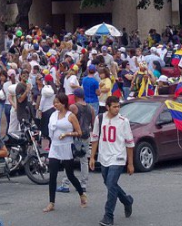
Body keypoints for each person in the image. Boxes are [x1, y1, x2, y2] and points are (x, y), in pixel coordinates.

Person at [90, 96, 134, 226]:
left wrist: (130, 163)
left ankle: (108, 216)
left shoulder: (123, 121)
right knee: (110, 184)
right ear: (107, 107)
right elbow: (95, 138)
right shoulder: (100, 119)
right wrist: (92, 157)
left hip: (118, 157)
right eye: (114, 106)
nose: (117, 109)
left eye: (118, 106)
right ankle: (127, 200)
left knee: (111, 184)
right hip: (104, 156)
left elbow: (130, 143)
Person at [43, 92, 87, 212]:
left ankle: (82, 194)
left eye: (57, 102)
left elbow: (79, 132)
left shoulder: (70, 116)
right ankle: (51, 202)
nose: (55, 104)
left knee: (70, 174)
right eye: (54, 102)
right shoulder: (53, 115)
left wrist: (67, 134)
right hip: (55, 147)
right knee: (52, 175)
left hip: (66, 146)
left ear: (63, 103)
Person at [58, 86, 94, 194]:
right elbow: (93, 123)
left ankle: (65, 184)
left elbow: (67, 119)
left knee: (68, 159)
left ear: (75, 96)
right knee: (84, 161)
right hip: (86, 135)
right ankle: (83, 184)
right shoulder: (90, 108)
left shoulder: (74, 107)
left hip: (75, 136)